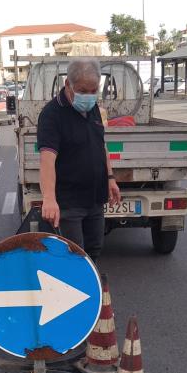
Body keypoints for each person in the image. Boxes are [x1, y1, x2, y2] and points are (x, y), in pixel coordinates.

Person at [37, 57, 120, 261]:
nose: (89, 96)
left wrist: (110, 178)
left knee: (94, 252)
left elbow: (101, 145)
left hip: (95, 198)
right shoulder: (51, 115)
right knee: (74, 257)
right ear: (68, 84)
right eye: (83, 91)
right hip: (69, 203)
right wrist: (48, 198)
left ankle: (92, 291)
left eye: (94, 91)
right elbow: (47, 159)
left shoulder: (92, 109)